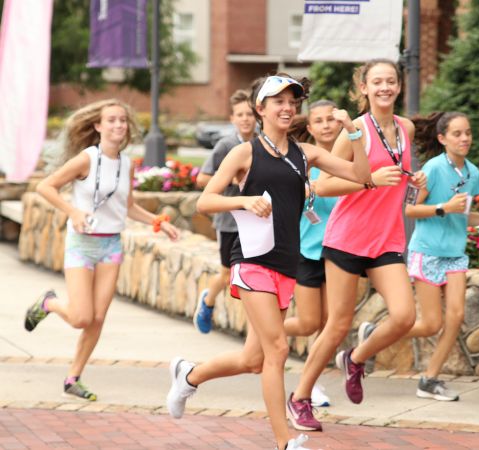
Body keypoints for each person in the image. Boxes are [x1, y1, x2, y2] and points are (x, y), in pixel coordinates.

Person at [165, 74, 371, 450]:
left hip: (285, 265)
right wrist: (242, 200)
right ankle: (283, 442)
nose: (287, 107)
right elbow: (204, 200)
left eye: (292, 101)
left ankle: (189, 375)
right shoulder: (245, 153)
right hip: (251, 260)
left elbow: (362, 177)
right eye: (278, 101)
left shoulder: (305, 154)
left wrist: (352, 132)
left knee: (253, 360)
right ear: (260, 109)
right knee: (277, 350)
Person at [287, 59, 427, 432]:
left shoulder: (405, 128)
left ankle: (356, 357)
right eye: (377, 81)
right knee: (337, 324)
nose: (385, 87)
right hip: (347, 238)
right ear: (363, 88)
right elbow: (324, 185)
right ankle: (300, 397)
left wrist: (414, 179)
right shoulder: (355, 132)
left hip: (387, 238)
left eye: (391, 81)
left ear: (399, 86)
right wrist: (371, 181)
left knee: (404, 316)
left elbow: (398, 174)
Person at [25, 99, 179, 401]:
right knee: (81, 317)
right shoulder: (87, 158)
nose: (118, 125)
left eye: (122, 120)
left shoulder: (126, 163)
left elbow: (128, 206)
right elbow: (46, 187)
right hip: (83, 244)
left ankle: (73, 378)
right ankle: (49, 303)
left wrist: (158, 222)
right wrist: (73, 212)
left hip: (111, 244)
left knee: (97, 319)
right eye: (111, 120)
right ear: (98, 126)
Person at [404, 112, 479, 402]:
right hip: (427, 251)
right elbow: (408, 210)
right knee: (431, 324)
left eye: (468, 132)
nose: (465, 138)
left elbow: (463, 215)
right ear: (442, 139)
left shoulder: (472, 173)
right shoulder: (432, 169)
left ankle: (429, 380)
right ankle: (377, 333)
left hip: (454, 254)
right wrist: (442, 207)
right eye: (457, 133)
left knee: (455, 318)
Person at [285, 100, 343, 408]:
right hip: (307, 250)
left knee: (329, 323)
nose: (325, 125)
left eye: (331, 119)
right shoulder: (301, 159)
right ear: (310, 127)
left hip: (341, 252)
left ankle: (312, 384)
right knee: (309, 322)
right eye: (318, 120)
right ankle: (265, 329)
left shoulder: (348, 158)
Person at [193, 89, 256, 334]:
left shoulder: (263, 141)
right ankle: (208, 301)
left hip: (256, 220)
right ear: (232, 119)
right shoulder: (226, 145)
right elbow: (202, 179)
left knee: (252, 273)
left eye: (249, 113)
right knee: (228, 272)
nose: (245, 119)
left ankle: (254, 328)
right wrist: (232, 179)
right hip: (229, 221)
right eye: (240, 114)